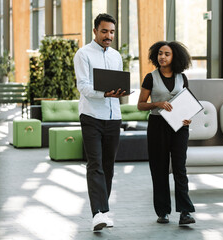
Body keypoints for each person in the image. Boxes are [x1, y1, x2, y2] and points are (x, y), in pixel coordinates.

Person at [73, 13, 127, 231]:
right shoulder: (83, 54)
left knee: (108, 167)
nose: (108, 35)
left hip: (114, 117)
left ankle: (103, 211)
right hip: (91, 117)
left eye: (112, 31)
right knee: (95, 164)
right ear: (95, 31)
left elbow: (117, 82)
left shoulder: (116, 56)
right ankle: (98, 213)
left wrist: (120, 91)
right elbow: (83, 86)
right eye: (104, 31)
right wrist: (105, 93)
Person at [137, 41, 196, 225]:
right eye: (160, 53)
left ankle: (185, 212)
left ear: (174, 57)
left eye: (167, 54)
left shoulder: (182, 77)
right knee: (159, 169)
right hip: (157, 126)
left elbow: (187, 102)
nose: (162, 57)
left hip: (179, 127)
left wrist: (188, 118)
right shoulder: (150, 77)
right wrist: (157, 104)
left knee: (180, 168)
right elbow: (140, 105)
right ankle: (163, 211)